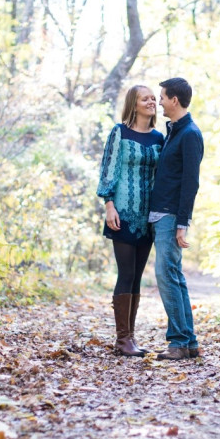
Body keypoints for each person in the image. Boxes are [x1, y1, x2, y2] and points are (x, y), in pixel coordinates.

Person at [97, 85, 165, 357]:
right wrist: (109, 204)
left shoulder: (160, 137)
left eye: (153, 98)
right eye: (144, 98)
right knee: (125, 273)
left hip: (147, 216)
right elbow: (108, 168)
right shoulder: (119, 132)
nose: (151, 101)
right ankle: (122, 339)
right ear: (133, 104)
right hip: (122, 213)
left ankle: (130, 339)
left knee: (136, 277)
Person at [149, 77, 204, 361]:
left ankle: (179, 342)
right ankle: (189, 341)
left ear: (174, 99)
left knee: (166, 275)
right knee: (174, 276)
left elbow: (190, 182)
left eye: (162, 96)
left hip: (171, 215)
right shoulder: (173, 132)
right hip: (162, 213)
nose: (158, 101)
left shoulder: (190, 134)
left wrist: (183, 223)